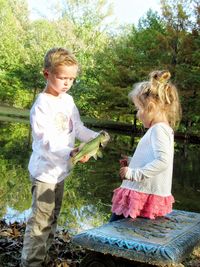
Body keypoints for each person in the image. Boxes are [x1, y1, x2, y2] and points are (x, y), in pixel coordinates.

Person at [21, 47, 109, 267]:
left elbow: (77, 128)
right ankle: (31, 262)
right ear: (47, 74)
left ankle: (44, 257)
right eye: (62, 77)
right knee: (40, 222)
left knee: (52, 217)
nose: (67, 83)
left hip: (60, 173)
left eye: (72, 79)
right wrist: (70, 151)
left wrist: (96, 137)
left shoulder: (68, 101)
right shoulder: (41, 105)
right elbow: (46, 141)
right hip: (44, 173)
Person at [110, 70, 182, 222]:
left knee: (116, 230)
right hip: (143, 193)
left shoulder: (158, 130)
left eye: (138, 109)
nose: (137, 114)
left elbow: (163, 161)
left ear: (150, 107)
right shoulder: (163, 129)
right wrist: (132, 162)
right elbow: (153, 158)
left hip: (140, 194)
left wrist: (134, 173)